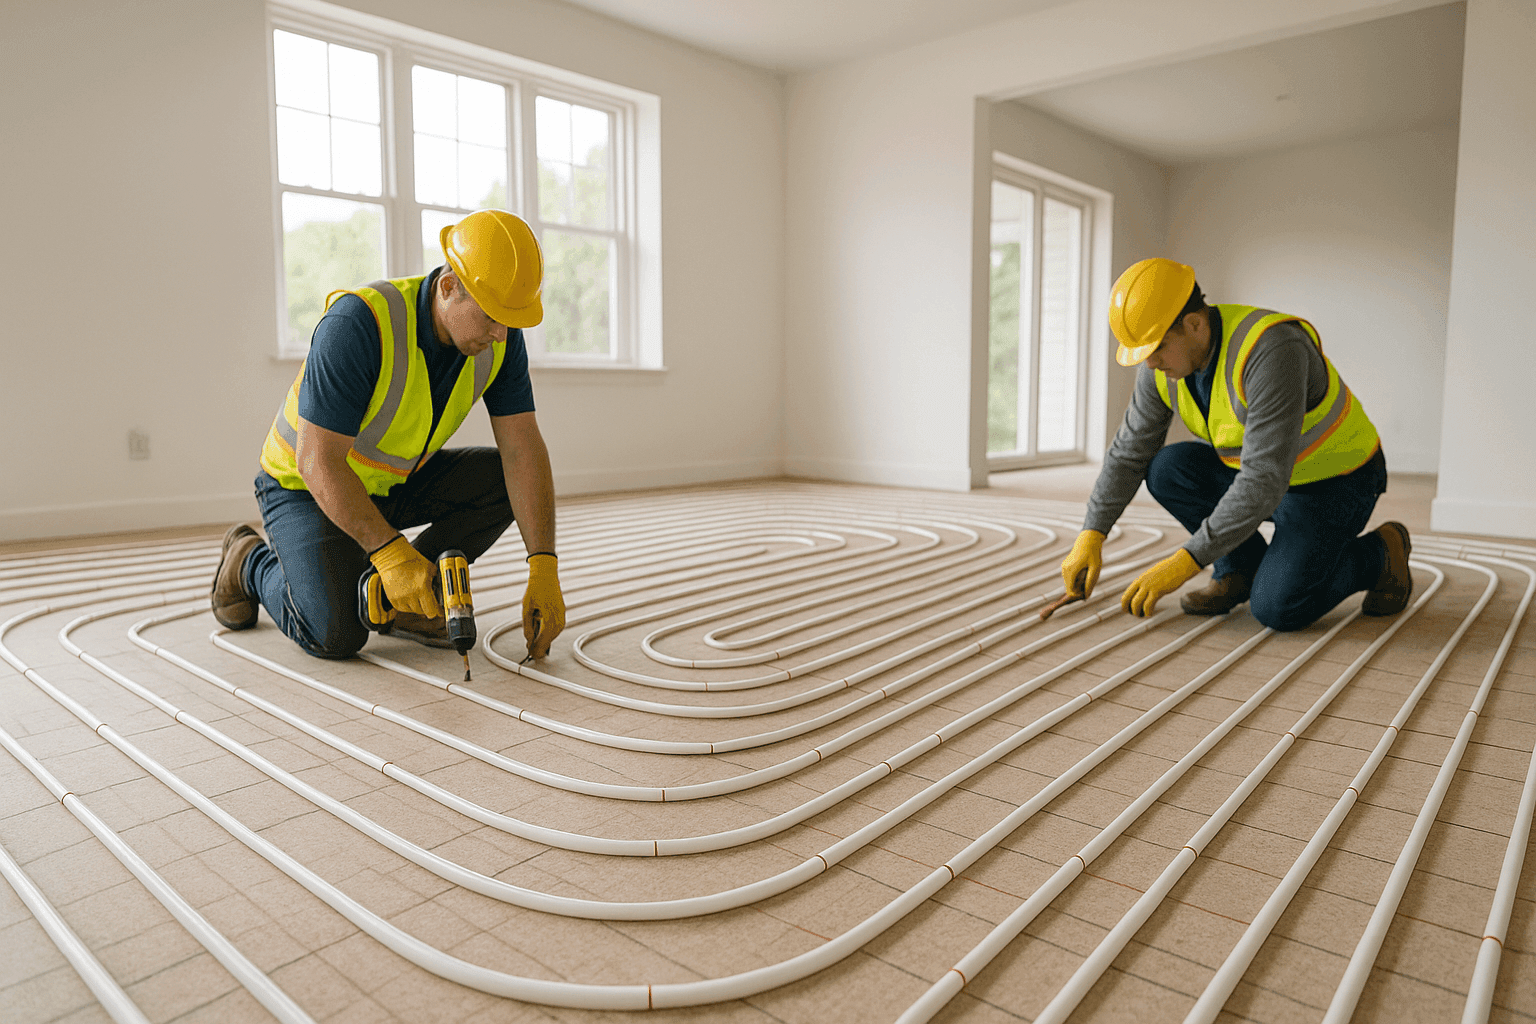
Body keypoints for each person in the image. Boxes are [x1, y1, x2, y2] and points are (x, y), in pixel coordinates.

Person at [210, 209, 565, 661]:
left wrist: (544, 566)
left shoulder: (500, 340)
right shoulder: (358, 325)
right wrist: (390, 552)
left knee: (502, 482)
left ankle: (403, 600)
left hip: (391, 481)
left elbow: (522, 450)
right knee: (334, 632)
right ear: (449, 286)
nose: (501, 333)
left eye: (511, 320)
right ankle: (248, 559)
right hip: (304, 486)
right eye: (493, 316)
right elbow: (317, 460)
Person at [1059, 257, 1412, 631]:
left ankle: (1380, 553)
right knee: (1168, 469)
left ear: (1194, 324)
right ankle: (1239, 568)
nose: (1149, 364)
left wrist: (1186, 561)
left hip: (1334, 481)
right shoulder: (1162, 369)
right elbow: (1129, 453)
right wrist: (1091, 533)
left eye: (1157, 349)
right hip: (1263, 476)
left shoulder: (1273, 350)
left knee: (1279, 607)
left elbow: (1263, 480)